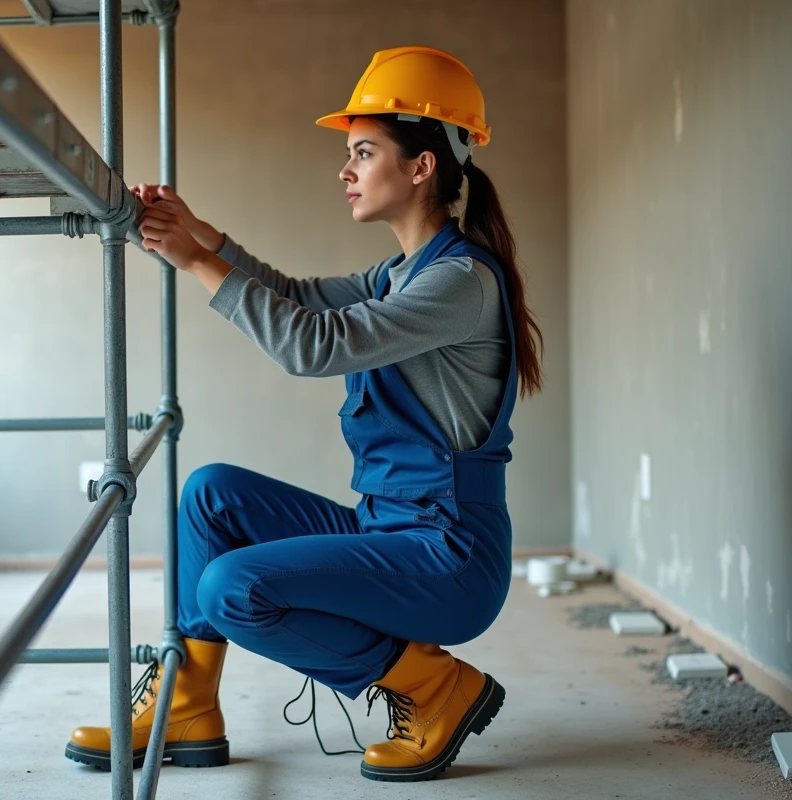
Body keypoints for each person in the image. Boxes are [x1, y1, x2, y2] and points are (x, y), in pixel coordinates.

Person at [66, 45, 544, 783]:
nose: (345, 170)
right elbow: (297, 297)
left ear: (421, 166)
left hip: (448, 556)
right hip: (391, 529)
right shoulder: (397, 275)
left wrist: (195, 261)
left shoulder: (458, 283)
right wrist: (198, 233)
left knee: (233, 587)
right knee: (212, 493)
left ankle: (434, 686)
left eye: (363, 152)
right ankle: (189, 703)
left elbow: (314, 345)